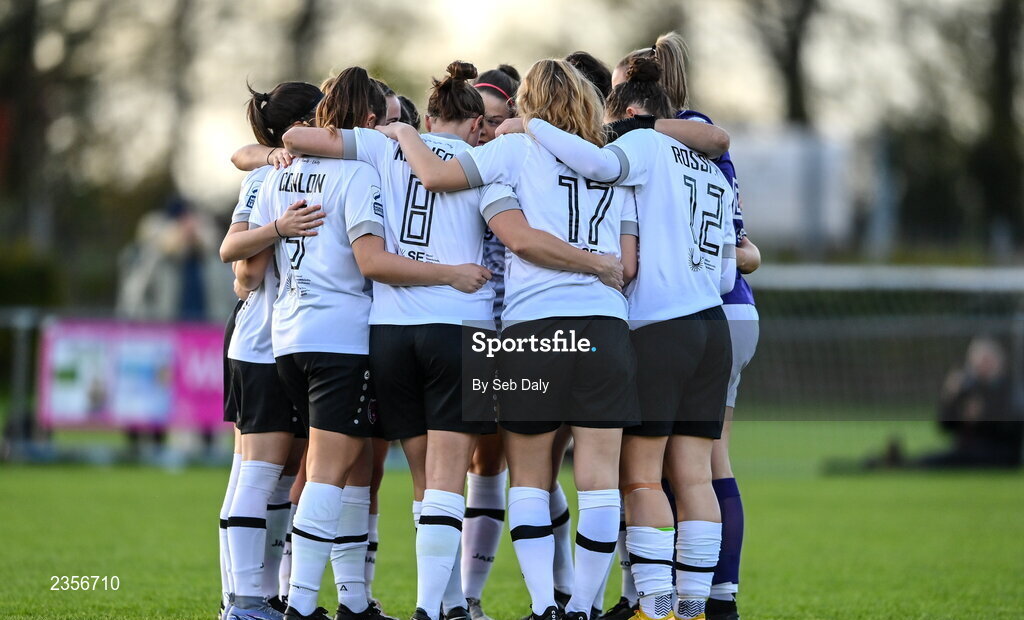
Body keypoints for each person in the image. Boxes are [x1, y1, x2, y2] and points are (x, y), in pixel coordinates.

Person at [282, 59, 631, 620]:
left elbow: (295, 137)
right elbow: (516, 236)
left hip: (389, 332)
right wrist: (597, 265)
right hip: (468, 330)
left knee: (417, 481)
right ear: (474, 125)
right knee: (459, 482)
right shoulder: (496, 164)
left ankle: (332, 600)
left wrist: (378, 134)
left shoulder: (381, 148)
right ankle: (454, 608)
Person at [246, 66, 466, 620]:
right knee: (330, 470)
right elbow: (370, 262)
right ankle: (299, 603)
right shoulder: (357, 177)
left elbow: (245, 259)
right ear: (368, 123)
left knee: (329, 468)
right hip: (339, 338)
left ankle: (340, 600)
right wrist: (449, 273)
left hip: (287, 337)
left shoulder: (280, 172)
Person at [606, 32, 758, 620]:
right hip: (712, 325)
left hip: (658, 326)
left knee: (641, 476)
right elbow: (730, 267)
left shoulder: (638, 152)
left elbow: (628, 264)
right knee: (697, 474)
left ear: (630, 110)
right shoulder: (712, 171)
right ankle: (698, 605)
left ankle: (655, 602)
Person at [217, 81, 326, 620]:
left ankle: (265, 597)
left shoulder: (323, 170)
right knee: (258, 474)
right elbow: (240, 261)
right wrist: (278, 229)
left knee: (283, 478)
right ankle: (240, 600)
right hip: (261, 342)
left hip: (296, 343)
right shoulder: (268, 176)